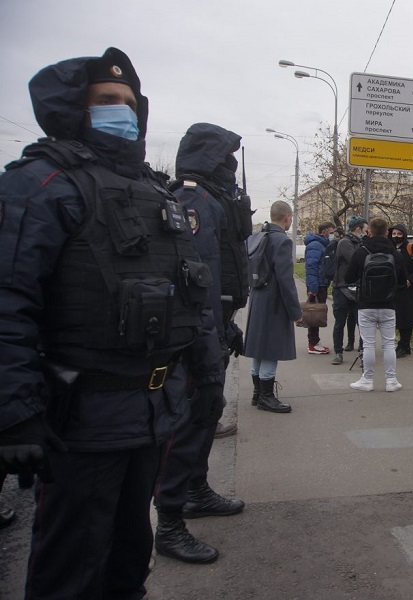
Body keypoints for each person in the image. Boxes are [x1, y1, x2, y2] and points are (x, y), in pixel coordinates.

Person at [0, 48, 216, 598]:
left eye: (127, 103)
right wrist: (16, 413)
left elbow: (187, 287)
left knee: (128, 562)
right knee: (71, 569)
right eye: (105, 101)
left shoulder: (152, 190)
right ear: (75, 109)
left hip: (150, 413)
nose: (120, 112)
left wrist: (201, 363)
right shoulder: (41, 184)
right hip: (81, 420)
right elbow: (8, 303)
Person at [153, 123, 248, 564]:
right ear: (211, 159)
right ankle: (170, 523)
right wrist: (207, 338)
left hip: (214, 325)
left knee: (206, 416)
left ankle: (196, 490)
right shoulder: (193, 201)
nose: (232, 166)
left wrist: (227, 325)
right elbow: (194, 279)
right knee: (187, 424)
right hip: (195, 334)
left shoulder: (216, 202)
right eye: (227, 157)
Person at [243, 201, 303, 413]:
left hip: (258, 297)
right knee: (271, 348)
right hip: (275, 301)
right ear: (287, 216)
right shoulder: (282, 241)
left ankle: (257, 393)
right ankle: (266, 397)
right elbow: (286, 281)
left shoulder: (256, 236)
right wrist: (295, 312)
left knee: (259, 347)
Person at [345, 217, 408, 392]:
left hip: (366, 305)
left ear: (369, 231)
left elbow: (348, 277)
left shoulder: (361, 251)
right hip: (389, 305)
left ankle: (367, 380)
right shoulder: (394, 253)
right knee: (389, 344)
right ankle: (391, 381)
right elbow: (403, 280)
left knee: (369, 345)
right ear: (387, 232)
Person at [331, 216, 368, 365]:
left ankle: (363, 352)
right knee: (340, 322)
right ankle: (338, 352)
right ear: (358, 229)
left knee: (361, 322)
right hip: (342, 287)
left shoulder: (360, 243)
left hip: (357, 287)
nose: (367, 233)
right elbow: (356, 260)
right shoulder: (345, 243)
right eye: (365, 230)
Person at [389, 223, 413, 357]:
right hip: (395, 289)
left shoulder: (411, 247)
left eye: (399, 234)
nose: (396, 236)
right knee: (397, 318)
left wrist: (411, 279)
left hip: (408, 289)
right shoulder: (390, 248)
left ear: (404, 234)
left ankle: (404, 346)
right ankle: (401, 344)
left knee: (406, 319)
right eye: (394, 234)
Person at [303, 221, 336, 355]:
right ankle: (313, 343)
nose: (333, 235)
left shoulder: (322, 245)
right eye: (331, 232)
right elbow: (311, 267)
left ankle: (315, 341)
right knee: (314, 313)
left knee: (316, 313)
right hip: (317, 285)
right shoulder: (315, 245)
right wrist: (313, 287)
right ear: (324, 232)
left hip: (321, 283)